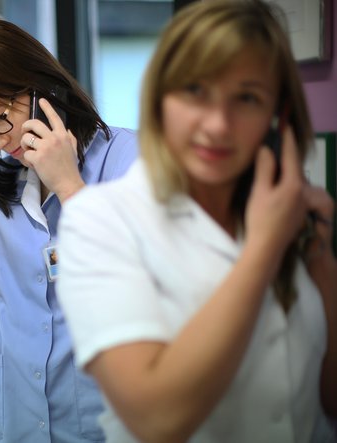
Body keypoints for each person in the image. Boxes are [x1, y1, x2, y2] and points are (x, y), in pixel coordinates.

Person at [56, 1, 337, 442]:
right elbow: (156, 420)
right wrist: (264, 247)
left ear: (277, 117)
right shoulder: (101, 221)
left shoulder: (292, 215)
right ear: (160, 99)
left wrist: (321, 262)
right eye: (195, 91)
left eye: (247, 98)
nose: (218, 125)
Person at [0, 20, 138, 442]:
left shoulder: (128, 159)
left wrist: (68, 186)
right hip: (5, 424)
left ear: (41, 88)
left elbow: (147, 282)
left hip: (97, 424)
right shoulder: (2, 183)